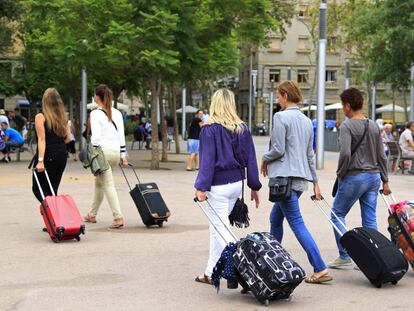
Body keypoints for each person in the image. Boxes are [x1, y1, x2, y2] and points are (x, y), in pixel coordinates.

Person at [261, 80, 332, 284]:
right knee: (276, 219)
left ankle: (319, 268)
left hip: (284, 180)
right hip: (299, 181)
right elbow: (310, 155)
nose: (277, 99)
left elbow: (278, 149)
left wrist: (265, 158)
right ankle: (273, 262)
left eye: (278, 95)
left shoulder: (280, 117)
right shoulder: (306, 120)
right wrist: (315, 181)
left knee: (297, 223)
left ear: (285, 95)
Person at [194, 89, 261, 285]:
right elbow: (251, 158)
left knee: (220, 231)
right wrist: (254, 185)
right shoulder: (242, 128)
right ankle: (210, 272)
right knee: (217, 228)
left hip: (218, 186)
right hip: (236, 185)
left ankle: (245, 271)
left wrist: (201, 187)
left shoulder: (209, 129)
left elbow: (207, 161)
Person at [329, 87, 390, 268]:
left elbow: (345, 154)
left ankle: (345, 254)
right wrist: (385, 180)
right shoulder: (373, 125)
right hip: (373, 177)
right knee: (369, 218)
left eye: (343, 105)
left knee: (337, 214)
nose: (342, 109)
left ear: (348, 105)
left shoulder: (347, 126)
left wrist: (340, 173)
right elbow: (382, 155)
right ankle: (374, 255)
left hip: (355, 176)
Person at [84, 84, 128, 229]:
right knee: (100, 183)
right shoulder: (117, 113)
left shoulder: (95, 113)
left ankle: (118, 217)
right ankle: (92, 214)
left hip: (102, 153)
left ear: (97, 97)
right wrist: (123, 154)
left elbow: (95, 136)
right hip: (115, 153)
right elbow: (121, 135)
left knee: (107, 184)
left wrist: (92, 148)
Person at [32, 88, 72, 202]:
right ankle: (54, 214)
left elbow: (42, 139)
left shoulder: (41, 117)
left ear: (45, 101)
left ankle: (50, 213)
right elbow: (68, 138)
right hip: (61, 154)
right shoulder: (63, 117)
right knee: (52, 189)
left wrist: (40, 161)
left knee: (38, 187)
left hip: (48, 154)